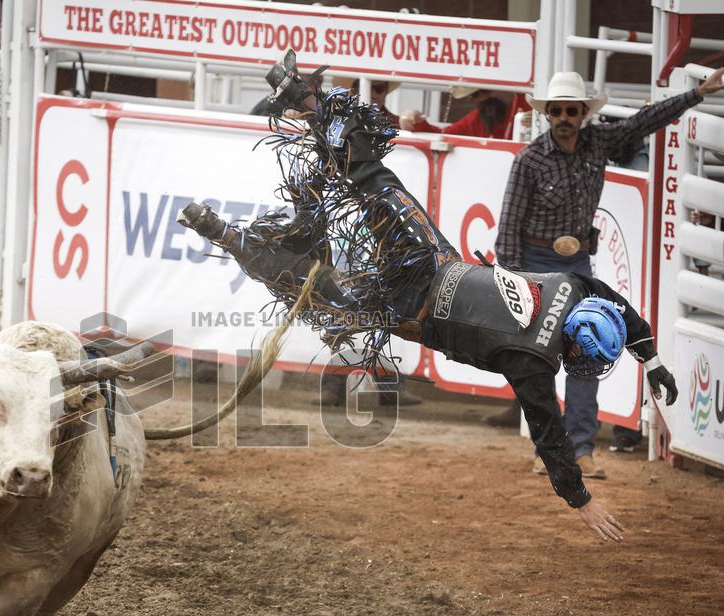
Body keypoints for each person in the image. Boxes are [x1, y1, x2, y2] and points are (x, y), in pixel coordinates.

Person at [178, 50, 686, 542]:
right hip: (410, 308)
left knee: (374, 182)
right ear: (575, 344)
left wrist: (653, 358)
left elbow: (610, 298)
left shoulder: (572, 289)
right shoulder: (534, 361)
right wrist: (581, 500)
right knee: (326, 297)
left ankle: (308, 102)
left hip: (431, 256)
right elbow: (549, 435)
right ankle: (226, 235)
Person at [495, 68, 724, 477]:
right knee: (540, 359)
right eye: (557, 111)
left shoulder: (598, 142)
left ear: (583, 112)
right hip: (536, 265)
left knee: (588, 348)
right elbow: (509, 228)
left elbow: (644, 121)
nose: (563, 117)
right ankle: (552, 449)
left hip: (576, 262)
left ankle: (581, 447)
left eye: (571, 110)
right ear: (547, 114)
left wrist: (697, 94)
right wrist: (512, 282)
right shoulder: (529, 161)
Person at [400, 86, 531, 140]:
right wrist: (415, 122)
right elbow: (443, 136)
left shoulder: (530, 105)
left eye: (485, 91)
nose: (482, 98)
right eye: (475, 94)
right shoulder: (479, 117)